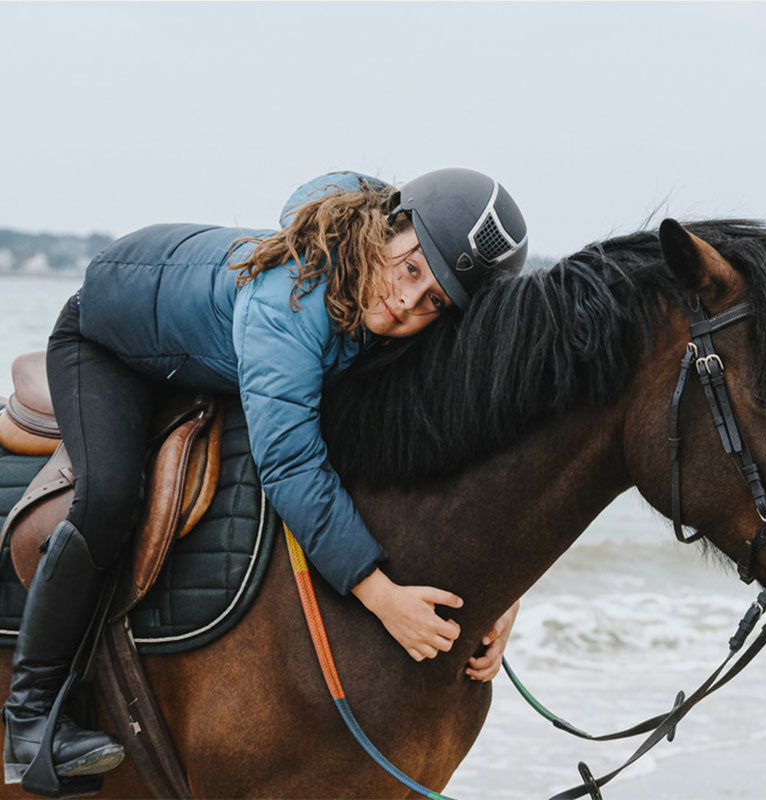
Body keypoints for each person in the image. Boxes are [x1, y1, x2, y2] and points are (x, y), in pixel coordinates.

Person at [2, 168, 528, 786]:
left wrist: (503, 594)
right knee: (110, 497)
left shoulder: (382, 288)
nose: (406, 304)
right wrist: (383, 599)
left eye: (434, 302)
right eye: (410, 270)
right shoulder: (291, 302)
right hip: (106, 343)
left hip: (201, 345)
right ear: (390, 226)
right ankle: (30, 716)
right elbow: (290, 466)